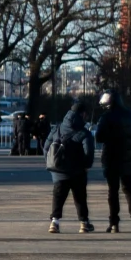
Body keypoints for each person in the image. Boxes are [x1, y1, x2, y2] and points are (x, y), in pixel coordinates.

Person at [45, 93, 98, 235]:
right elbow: (89, 152)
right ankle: (84, 223)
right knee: (80, 197)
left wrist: (51, 162)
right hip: (77, 171)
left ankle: (54, 223)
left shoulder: (58, 128)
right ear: (83, 114)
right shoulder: (84, 132)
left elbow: (46, 147)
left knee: (58, 196)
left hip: (58, 171)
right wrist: (86, 166)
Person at [96, 90, 131, 232]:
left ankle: (114, 222)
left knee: (113, 191)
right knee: (128, 189)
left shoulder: (107, 117)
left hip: (111, 157)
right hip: (128, 157)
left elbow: (99, 137)